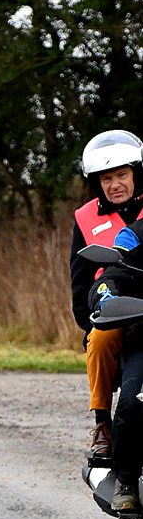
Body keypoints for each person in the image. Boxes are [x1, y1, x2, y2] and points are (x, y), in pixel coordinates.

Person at [70, 130, 143, 462]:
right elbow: (79, 281)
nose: (115, 184)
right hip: (110, 309)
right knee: (99, 337)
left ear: (135, 174)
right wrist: (90, 322)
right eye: (107, 178)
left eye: (122, 175)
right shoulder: (85, 217)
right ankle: (102, 423)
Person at [90, 217, 143, 511]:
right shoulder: (134, 235)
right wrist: (107, 297)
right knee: (132, 401)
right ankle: (127, 480)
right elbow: (112, 275)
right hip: (142, 337)